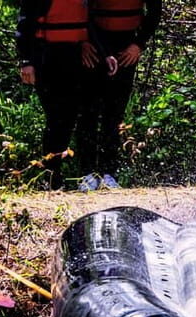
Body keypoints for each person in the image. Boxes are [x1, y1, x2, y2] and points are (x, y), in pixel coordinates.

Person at [16, 0, 116, 190]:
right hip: (46, 55)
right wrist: (26, 61)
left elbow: (88, 23)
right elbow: (24, 24)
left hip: (75, 54)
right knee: (56, 118)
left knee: (71, 116)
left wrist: (105, 54)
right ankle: (51, 179)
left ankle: (75, 176)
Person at [76, 0, 163, 191]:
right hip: (94, 44)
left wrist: (138, 45)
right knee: (88, 112)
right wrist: (83, 40)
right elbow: (81, 10)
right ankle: (87, 173)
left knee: (114, 113)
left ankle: (109, 173)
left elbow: (155, 12)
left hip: (126, 46)